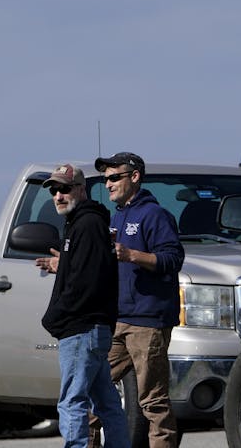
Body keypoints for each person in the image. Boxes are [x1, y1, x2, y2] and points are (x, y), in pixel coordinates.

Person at [88, 152, 185, 448]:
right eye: (105, 179)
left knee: (153, 402)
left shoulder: (154, 215)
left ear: (134, 176)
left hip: (148, 323)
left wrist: (132, 255)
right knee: (91, 388)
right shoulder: (118, 215)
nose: (108, 184)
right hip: (118, 320)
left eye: (114, 177)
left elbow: (173, 258)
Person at [36, 163, 131, 448]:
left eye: (64, 189)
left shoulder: (87, 225)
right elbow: (82, 269)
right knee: (107, 402)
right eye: (54, 190)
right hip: (91, 330)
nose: (58, 196)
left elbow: (86, 281)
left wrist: (57, 318)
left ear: (80, 189)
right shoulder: (83, 224)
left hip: (82, 329)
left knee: (72, 401)